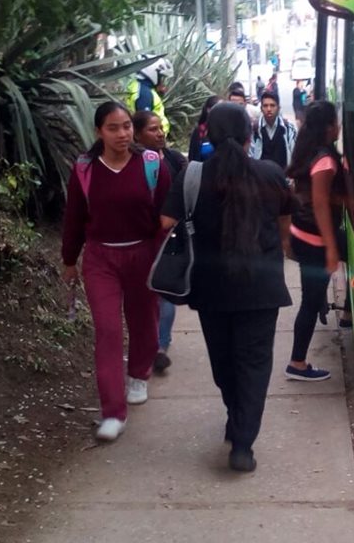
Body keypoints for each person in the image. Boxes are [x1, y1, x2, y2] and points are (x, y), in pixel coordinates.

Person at [161, 103, 298, 472]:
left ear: (206, 133)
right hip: (262, 290)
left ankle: (235, 418)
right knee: (253, 365)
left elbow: (164, 222)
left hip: (211, 291)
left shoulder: (192, 176)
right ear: (249, 135)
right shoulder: (270, 174)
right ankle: (242, 444)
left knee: (225, 364)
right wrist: (278, 248)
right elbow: (287, 218)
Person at [62, 102, 172, 441]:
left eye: (126, 126)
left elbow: (168, 209)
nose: (122, 134)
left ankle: (139, 374)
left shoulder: (152, 165)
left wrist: (163, 241)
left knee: (144, 322)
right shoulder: (85, 169)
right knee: (107, 331)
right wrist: (69, 260)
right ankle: (112, 412)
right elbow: (74, 218)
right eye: (113, 127)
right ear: (99, 131)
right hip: (100, 259)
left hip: (143, 255)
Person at [285, 100, 349, 383]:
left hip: (302, 233)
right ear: (327, 128)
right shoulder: (324, 160)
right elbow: (321, 205)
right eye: (335, 122)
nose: (339, 126)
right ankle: (297, 363)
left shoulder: (309, 152)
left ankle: (345, 310)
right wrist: (331, 248)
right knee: (309, 303)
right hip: (315, 239)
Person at [133, 110, 188, 373]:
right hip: (141, 238)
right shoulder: (131, 164)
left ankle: (160, 346)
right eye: (152, 129)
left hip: (170, 239)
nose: (160, 133)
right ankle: (149, 342)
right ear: (137, 134)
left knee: (164, 291)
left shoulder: (176, 160)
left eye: (160, 128)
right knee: (146, 295)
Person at [249, 90, 297, 169]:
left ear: (278, 108)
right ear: (261, 108)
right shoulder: (254, 129)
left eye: (272, 105)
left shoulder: (288, 128)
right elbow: (250, 156)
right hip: (261, 178)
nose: (269, 109)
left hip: (283, 177)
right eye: (265, 106)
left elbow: (295, 154)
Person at [128, 56, 173, 136]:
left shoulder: (138, 86)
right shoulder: (145, 94)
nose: (162, 81)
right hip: (152, 141)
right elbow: (145, 123)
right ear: (153, 73)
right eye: (161, 77)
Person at [188, 95, 221, 162]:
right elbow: (192, 157)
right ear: (208, 110)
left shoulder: (228, 131)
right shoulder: (200, 131)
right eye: (219, 109)